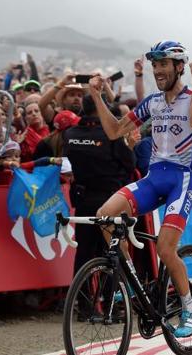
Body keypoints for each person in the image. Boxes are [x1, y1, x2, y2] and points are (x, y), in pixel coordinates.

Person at [87, 41, 192, 338]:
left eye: (163, 64)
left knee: (166, 249)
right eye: (155, 65)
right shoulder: (152, 101)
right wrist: (97, 95)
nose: (158, 70)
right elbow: (115, 130)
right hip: (154, 177)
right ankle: (131, 288)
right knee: (105, 216)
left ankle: (190, 308)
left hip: (182, 181)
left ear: (179, 66)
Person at [62, 96, 135, 281]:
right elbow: (130, 164)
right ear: (104, 108)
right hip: (110, 200)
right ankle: (116, 303)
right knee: (113, 251)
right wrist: (131, 146)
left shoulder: (70, 134)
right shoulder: (111, 135)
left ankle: (82, 304)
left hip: (83, 199)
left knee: (84, 254)